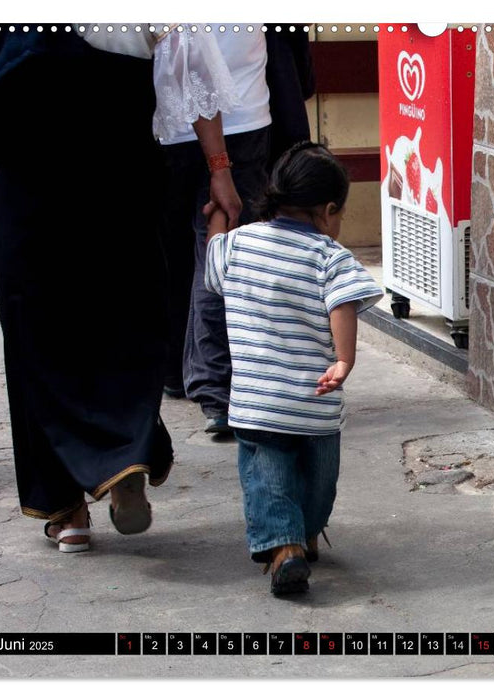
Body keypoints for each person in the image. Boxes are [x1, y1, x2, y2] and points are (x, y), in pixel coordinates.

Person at [0, 25, 241, 552]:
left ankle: (65, 509)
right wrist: (220, 172)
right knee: (127, 319)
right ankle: (124, 457)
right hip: (123, 174)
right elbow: (198, 74)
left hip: (29, 179)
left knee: (35, 333)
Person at [202, 142, 382, 595]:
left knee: (269, 474)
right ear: (327, 210)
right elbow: (342, 303)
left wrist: (220, 215)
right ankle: (298, 539)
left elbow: (214, 251)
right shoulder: (329, 257)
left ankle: (285, 545)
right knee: (320, 480)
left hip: (257, 403)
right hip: (314, 404)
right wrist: (344, 360)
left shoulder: (238, 245)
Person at [160, 28, 315, 437]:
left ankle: (188, 373)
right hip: (234, 124)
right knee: (220, 253)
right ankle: (214, 387)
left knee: (189, 252)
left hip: (177, 124)